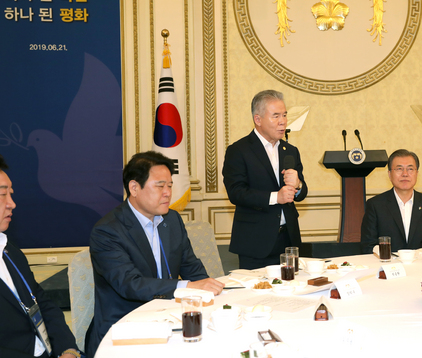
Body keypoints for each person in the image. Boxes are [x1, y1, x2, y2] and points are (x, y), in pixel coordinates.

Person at [85, 151, 224, 357]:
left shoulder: (172, 220)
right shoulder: (108, 231)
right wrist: (187, 286)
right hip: (125, 328)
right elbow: (130, 284)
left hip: (170, 320)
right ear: (134, 188)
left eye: (170, 186)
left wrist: (211, 292)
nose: (167, 193)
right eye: (160, 186)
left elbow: (192, 269)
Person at [0, 155, 80, 358]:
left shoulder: (10, 251)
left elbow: (42, 303)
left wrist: (68, 349)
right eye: (2, 195)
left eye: (11, 194)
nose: (12, 204)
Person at [222, 90, 307, 270]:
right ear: (258, 119)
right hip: (255, 242)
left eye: (284, 115)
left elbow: (301, 193)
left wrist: (298, 185)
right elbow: (236, 192)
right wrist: (276, 197)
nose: (283, 121)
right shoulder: (238, 150)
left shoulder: (291, 151)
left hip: (289, 240)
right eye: (276, 116)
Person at [360, 149, 422, 254]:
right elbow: (368, 246)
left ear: (417, 173)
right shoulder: (375, 205)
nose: (405, 174)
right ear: (389, 174)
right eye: (399, 169)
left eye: (410, 169)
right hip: (388, 263)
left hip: (421, 263)